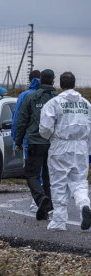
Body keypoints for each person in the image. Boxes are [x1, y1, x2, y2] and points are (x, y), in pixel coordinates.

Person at [39, 72, 91, 231]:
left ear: (60, 85)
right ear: (74, 84)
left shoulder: (54, 103)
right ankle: (84, 204)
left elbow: (45, 128)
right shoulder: (86, 104)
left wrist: (51, 137)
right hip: (81, 147)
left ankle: (59, 221)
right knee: (79, 181)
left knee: (58, 182)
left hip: (61, 146)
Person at [15, 69, 57, 220]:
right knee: (48, 175)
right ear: (53, 81)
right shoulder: (57, 99)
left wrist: (18, 141)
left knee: (31, 174)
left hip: (34, 142)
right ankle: (48, 206)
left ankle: (40, 199)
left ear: (40, 80)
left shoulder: (31, 97)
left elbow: (22, 121)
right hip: (53, 143)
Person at [11, 70, 41, 213]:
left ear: (30, 80)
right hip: (50, 141)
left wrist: (16, 139)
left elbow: (18, 119)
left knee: (32, 172)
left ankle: (37, 202)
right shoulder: (50, 95)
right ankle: (50, 202)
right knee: (46, 171)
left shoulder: (24, 96)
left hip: (30, 140)